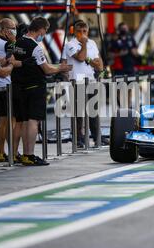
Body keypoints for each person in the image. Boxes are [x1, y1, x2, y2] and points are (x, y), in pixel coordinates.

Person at [11, 16, 72, 166]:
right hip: (34, 87)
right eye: (45, 30)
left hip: (19, 86)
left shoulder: (17, 42)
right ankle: (29, 154)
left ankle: (20, 154)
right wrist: (61, 67)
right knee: (33, 121)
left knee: (23, 121)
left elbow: (13, 61)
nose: (44, 33)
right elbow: (46, 69)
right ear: (40, 30)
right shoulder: (35, 47)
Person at [64, 20, 106, 148]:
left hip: (91, 79)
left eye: (84, 31)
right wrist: (83, 45)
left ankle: (97, 138)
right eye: (79, 31)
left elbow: (99, 63)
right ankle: (78, 139)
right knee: (79, 113)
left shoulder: (92, 43)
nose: (82, 34)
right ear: (74, 32)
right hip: (77, 80)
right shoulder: (70, 44)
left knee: (93, 111)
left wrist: (97, 66)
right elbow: (81, 58)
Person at [0, 18, 17, 163]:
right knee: (9, 120)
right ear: (4, 29)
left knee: (3, 119)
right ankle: (10, 151)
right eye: (12, 28)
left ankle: (2, 152)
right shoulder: (8, 43)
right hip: (6, 84)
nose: (14, 31)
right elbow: (12, 59)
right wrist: (14, 41)